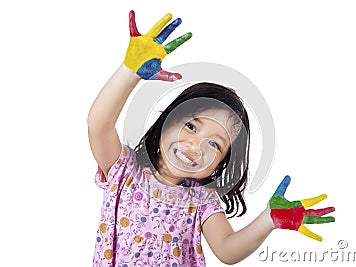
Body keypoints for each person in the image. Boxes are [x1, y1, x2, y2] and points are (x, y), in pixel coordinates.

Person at [88, 10, 335, 267]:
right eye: (192, 126)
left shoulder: (202, 199)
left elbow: (228, 250)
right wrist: (130, 71)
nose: (196, 147)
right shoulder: (125, 170)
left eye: (215, 144)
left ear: (220, 163)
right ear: (166, 123)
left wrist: (268, 220)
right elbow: (99, 124)